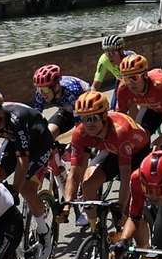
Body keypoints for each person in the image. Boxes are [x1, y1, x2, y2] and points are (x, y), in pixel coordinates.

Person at [0, 89, 56, 259]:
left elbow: (22, 160)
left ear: (0, 112)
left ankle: (44, 232)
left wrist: (14, 190)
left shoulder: (17, 118)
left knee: (27, 191)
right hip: (15, 141)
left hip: (40, 142)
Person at [62, 90, 152, 224]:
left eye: (93, 118)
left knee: (127, 214)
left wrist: (120, 209)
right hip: (113, 150)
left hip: (138, 152)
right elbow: (75, 174)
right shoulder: (80, 133)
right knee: (88, 185)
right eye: (84, 118)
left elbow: (126, 176)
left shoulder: (120, 132)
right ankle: (95, 232)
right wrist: (66, 206)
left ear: (104, 115)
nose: (88, 124)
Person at [114, 54, 162, 153]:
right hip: (151, 109)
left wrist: (157, 142)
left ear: (145, 75)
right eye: (127, 78)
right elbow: (120, 119)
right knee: (141, 139)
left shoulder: (159, 85)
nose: (131, 83)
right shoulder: (123, 88)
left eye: (135, 78)